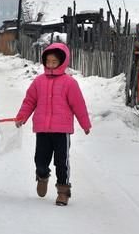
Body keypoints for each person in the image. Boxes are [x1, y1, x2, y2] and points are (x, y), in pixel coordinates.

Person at [15, 42, 91, 206]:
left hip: (61, 131)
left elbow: (79, 105)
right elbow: (30, 101)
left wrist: (85, 124)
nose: (50, 64)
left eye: (54, 62)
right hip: (42, 129)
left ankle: (63, 192)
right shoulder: (38, 81)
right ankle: (42, 176)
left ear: (62, 62)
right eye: (48, 61)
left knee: (61, 162)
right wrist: (22, 117)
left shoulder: (69, 83)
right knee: (40, 160)